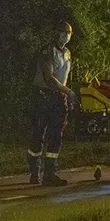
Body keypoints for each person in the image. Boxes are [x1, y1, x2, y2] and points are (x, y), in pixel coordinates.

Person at [27, 21, 76, 186]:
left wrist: (66, 95)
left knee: (56, 136)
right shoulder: (47, 51)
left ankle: (50, 174)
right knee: (38, 136)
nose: (66, 36)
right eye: (63, 32)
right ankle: (35, 172)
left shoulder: (67, 53)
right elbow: (49, 79)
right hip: (43, 97)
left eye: (69, 33)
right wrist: (67, 91)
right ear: (57, 33)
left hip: (58, 98)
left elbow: (65, 75)